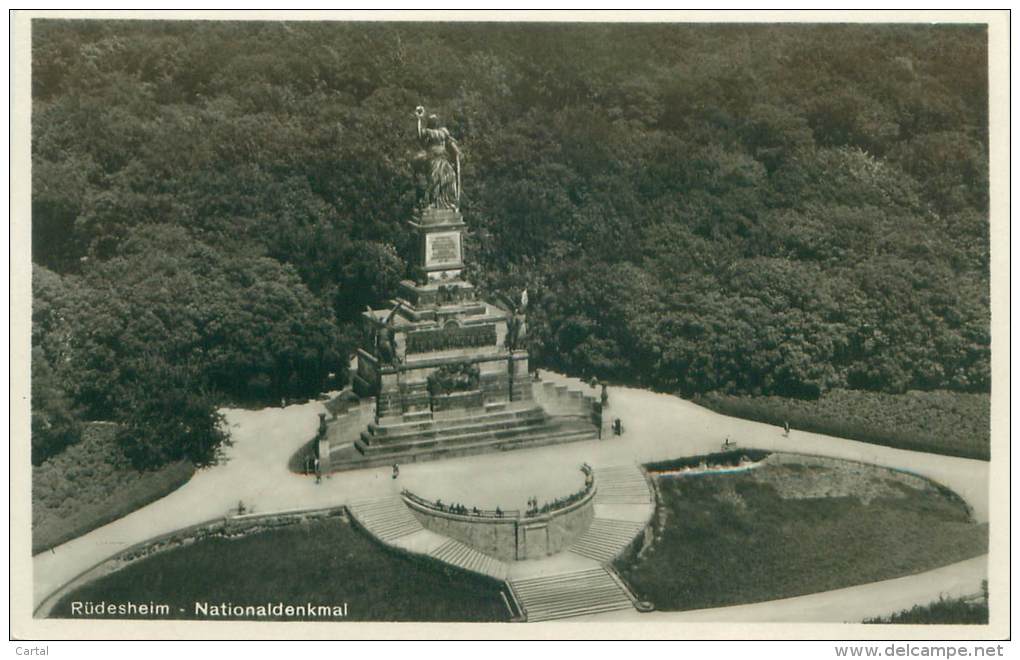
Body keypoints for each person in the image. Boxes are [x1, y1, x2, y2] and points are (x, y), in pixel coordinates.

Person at [414, 106, 461, 209]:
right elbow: (419, 135)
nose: (434, 121)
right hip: (433, 159)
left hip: (443, 159)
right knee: (434, 180)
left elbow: (449, 141)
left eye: (435, 120)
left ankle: (447, 201)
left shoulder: (443, 131)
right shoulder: (428, 132)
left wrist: (455, 150)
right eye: (432, 120)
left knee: (450, 176)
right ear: (430, 122)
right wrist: (419, 119)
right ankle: (432, 202)